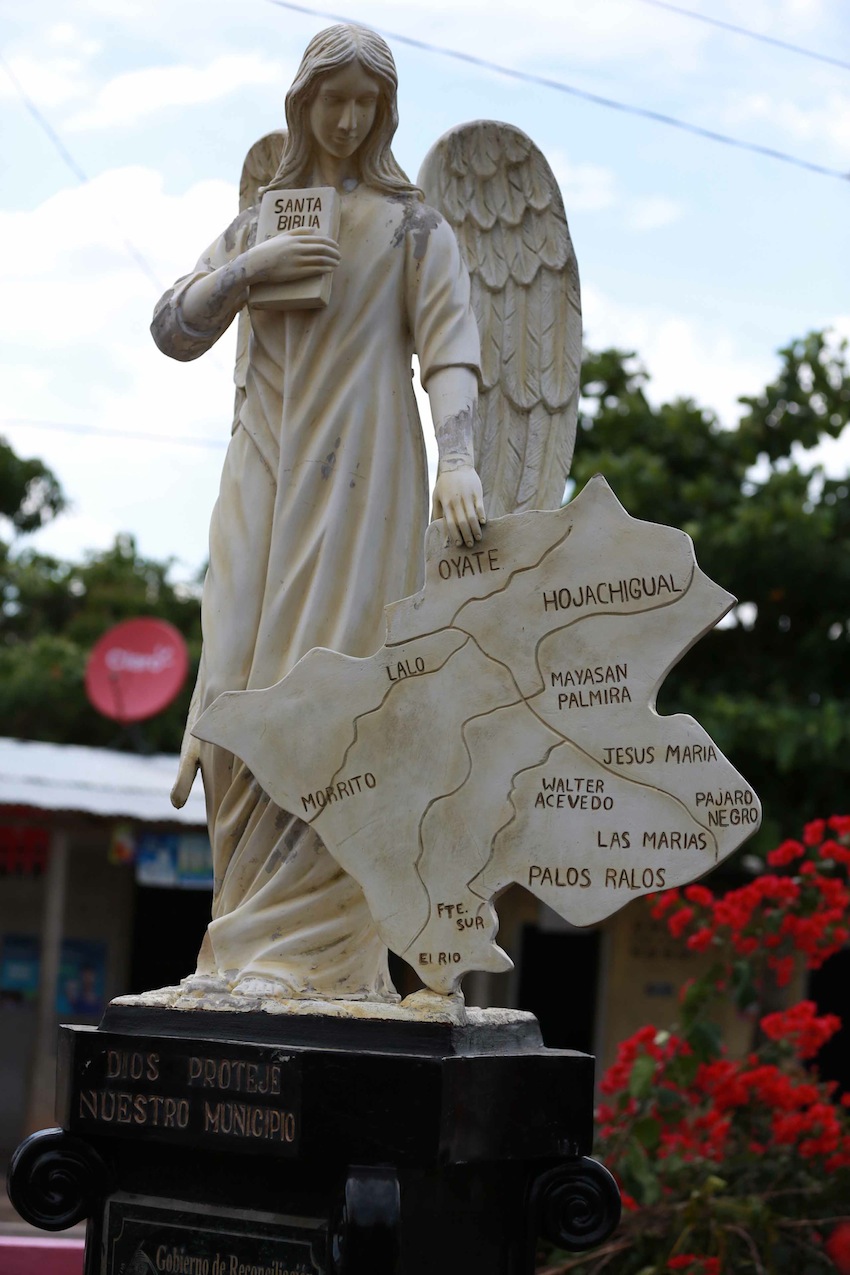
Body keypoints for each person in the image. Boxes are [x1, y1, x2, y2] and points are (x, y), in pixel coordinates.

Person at [151, 23, 485, 1002]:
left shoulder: (415, 226)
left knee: (333, 699)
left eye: (363, 104)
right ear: (300, 104)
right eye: (328, 100)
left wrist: (456, 462)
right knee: (230, 694)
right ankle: (243, 943)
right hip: (264, 463)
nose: (344, 120)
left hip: (365, 473)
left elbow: (453, 350)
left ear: (384, 113)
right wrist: (246, 270)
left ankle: (317, 960)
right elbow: (173, 327)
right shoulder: (265, 218)